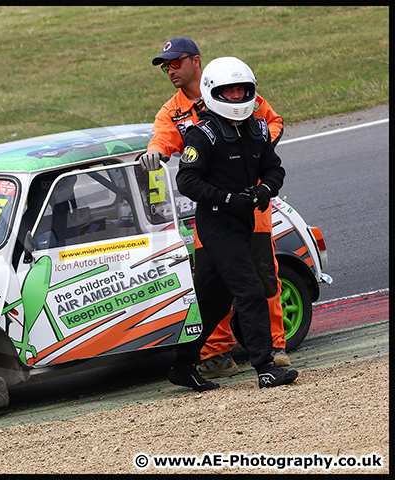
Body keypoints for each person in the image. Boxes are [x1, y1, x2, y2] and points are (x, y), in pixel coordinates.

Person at [139, 37, 289, 379]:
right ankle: (223, 354)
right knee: (229, 289)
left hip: (253, 211)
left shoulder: (239, 92)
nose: (169, 71)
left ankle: (274, 347)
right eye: (165, 66)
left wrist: (261, 172)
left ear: (195, 62)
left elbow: (271, 126)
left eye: (175, 63)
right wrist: (156, 154)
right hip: (216, 214)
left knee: (258, 280)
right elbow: (163, 142)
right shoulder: (175, 113)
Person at [170, 56, 297, 390]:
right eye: (231, 92)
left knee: (213, 302)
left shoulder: (256, 128)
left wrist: (265, 190)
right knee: (250, 288)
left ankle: (182, 366)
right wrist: (226, 199)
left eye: (243, 91)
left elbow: (275, 168)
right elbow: (187, 181)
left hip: (244, 223)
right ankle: (266, 367)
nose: (238, 97)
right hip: (216, 224)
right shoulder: (203, 134)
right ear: (215, 93)